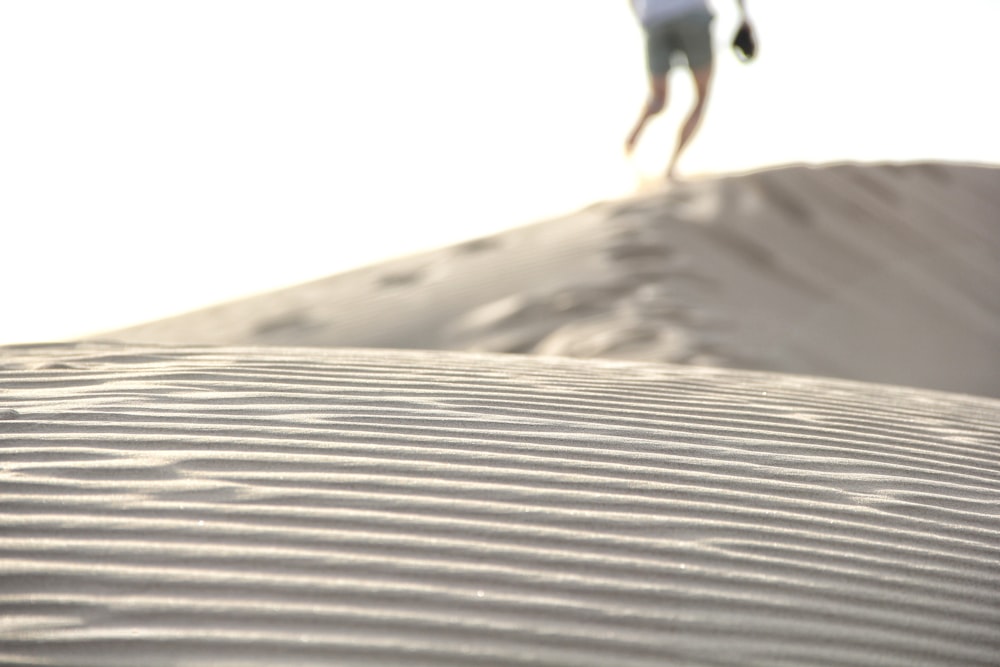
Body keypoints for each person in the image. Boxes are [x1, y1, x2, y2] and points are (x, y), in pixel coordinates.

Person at [625, 0, 754, 181]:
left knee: (658, 98)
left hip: (655, 20)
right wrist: (744, 17)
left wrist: (643, 20)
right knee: (701, 96)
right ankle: (671, 166)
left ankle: (632, 139)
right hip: (692, 15)